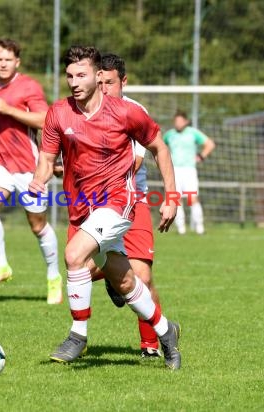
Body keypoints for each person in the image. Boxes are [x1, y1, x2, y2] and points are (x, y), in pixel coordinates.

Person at [29, 46, 182, 369]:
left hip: (119, 201)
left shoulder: (125, 112)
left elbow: (159, 147)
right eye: (69, 76)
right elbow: (46, 158)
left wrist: (171, 197)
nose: (74, 81)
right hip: (82, 207)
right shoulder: (58, 113)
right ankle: (166, 332)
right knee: (125, 281)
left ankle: (77, 335)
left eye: (81, 74)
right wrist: (38, 180)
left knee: (74, 256)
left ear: (98, 76)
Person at [0, 38, 62, 304]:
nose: (3, 64)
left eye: (8, 60)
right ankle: (1, 267)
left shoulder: (28, 86)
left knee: (37, 225)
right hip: (0, 160)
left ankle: (54, 277)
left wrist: (9, 109)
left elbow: (46, 119)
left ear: (17, 62)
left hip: (29, 165)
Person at [96, 53, 164, 358]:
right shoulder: (86, 113)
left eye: (109, 82)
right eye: (99, 82)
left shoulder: (134, 112)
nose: (104, 88)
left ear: (123, 81)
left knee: (144, 277)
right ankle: (113, 276)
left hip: (133, 200)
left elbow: (135, 162)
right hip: (97, 204)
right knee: (79, 264)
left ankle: (151, 343)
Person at [163, 110, 215, 235]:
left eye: (181, 121)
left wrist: (201, 156)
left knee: (192, 198)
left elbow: (210, 144)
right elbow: (160, 149)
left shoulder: (193, 133)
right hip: (174, 170)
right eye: (176, 121)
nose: (178, 123)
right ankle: (181, 229)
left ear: (186, 121)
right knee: (176, 199)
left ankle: (199, 227)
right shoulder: (169, 135)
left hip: (189, 170)